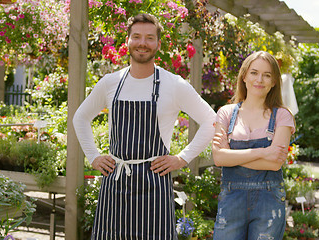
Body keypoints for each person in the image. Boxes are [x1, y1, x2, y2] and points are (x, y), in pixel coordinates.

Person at [73, 13, 216, 240]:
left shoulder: (174, 84)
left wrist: (182, 158)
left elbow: (212, 120)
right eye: (137, 36)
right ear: (127, 41)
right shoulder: (110, 83)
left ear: (158, 44)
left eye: (149, 38)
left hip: (154, 186)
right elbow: (80, 117)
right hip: (115, 183)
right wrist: (93, 156)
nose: (142, 43)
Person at [211, 51, 295, 240]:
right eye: (254, 73)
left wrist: (232, 155)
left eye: (267, 75)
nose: (260, 79)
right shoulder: (225, 113)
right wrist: (264, 152)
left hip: (269, 201)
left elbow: (274, 163)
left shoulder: (282, 115)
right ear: (244, 76)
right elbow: (219, 158)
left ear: (274, 82)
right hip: (231, 200)